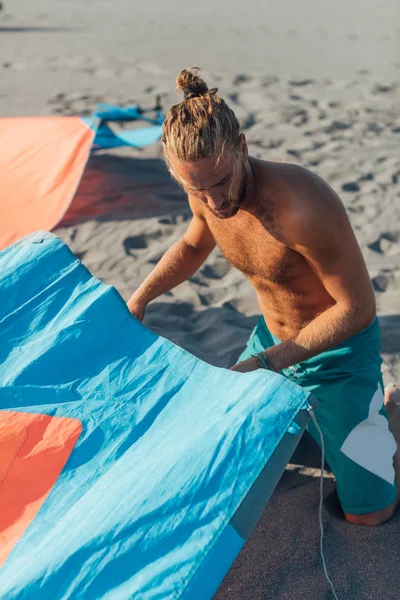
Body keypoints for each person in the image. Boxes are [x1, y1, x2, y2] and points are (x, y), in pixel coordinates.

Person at [128, 67, 399, 525]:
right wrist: (141, 298)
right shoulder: (204, 183)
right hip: (270, 343)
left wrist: (268, 363)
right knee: (220, 465)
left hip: (338, 357)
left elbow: (357, 309)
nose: (214, 202)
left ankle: (383, 411)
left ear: (243, 148)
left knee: (369, 515)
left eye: (221, 182)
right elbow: (195, 244)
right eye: (196, 189)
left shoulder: (300, 205)